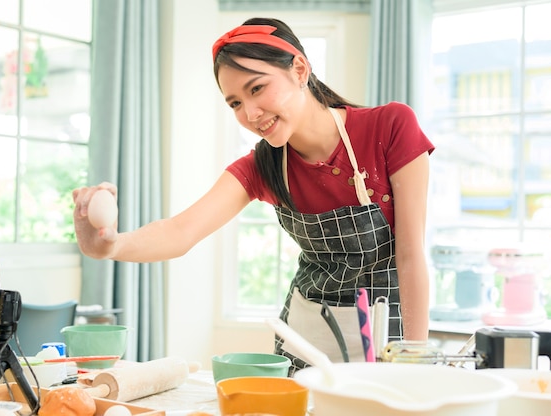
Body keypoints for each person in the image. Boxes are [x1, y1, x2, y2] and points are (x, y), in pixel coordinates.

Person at [73, 17, 434, 375]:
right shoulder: (263, 166)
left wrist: (414, 362)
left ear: (299, 69)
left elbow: (410, 255)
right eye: (234, 103)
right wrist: (111, 246)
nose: (250, 114)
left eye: (257, 89)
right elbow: (181, 232)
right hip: (308, 342)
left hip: (391, 340)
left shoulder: (389, 126)